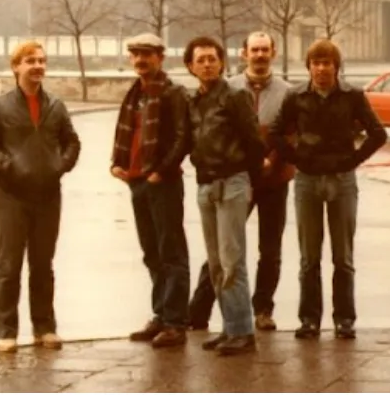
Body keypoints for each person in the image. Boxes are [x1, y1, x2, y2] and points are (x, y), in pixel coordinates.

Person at [268, 39, 387, 340]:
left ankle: (344, 319)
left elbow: (378, 133)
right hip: (307, 181)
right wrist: (296, 159)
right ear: (308, 67)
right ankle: (309, 319)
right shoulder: (296, 96)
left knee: (342, 256)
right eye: (316, 63)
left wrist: (353, 160)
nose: (322, 69)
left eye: (327, 63)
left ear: (336, 67)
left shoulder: (353, 96)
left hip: (342, 181)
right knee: (309, 256)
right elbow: (276, 133)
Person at [0, 40, 81, 354]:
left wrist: (59, 166)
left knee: (42, 265)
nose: (38, 66)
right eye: (30, 61)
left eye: (41, 61)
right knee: (8, 266)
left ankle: (45, 328)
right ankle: (5, 331)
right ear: (16, 67)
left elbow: (72, 142)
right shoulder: (0, 107)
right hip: (12, 196)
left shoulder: (56, 106)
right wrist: (9, 167)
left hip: (48, 195)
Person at [190, 32, 294, 332]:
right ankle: (199, 309)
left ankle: (262, 309)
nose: (260, 55)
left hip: (274, 179)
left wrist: (270, 163)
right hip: (236, 177)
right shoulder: (229, 88)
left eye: (265, 50)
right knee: (223, 247)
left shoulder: (288, 92)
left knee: (270, 248)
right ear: (243, 53)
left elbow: (289, 135)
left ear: (273, 52)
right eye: (254, 50)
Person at [184, 36, 266, 356]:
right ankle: (229, 327)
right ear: (190, 66)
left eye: (212, 58)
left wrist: (249, 183)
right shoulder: (194, 102)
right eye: (200, 59)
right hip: (205, 185)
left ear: (222, 62)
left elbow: (254, 142)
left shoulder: (235, 97)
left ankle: (243, 331)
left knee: (233, 260)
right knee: (216, 263)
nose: (207, 64)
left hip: (232, 182)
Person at [110, 33, 193, 349]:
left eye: (147, 54)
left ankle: (175, 321)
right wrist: (117, 163)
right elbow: (126, 133)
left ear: (160, 57)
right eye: (135, 54)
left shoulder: (172, 94)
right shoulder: (136, 94)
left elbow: (182, 138)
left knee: (171, 252)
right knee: (152, 252)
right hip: (137, 181)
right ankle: (161, 314)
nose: (141, 60)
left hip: (163, 182)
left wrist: (163, 170)